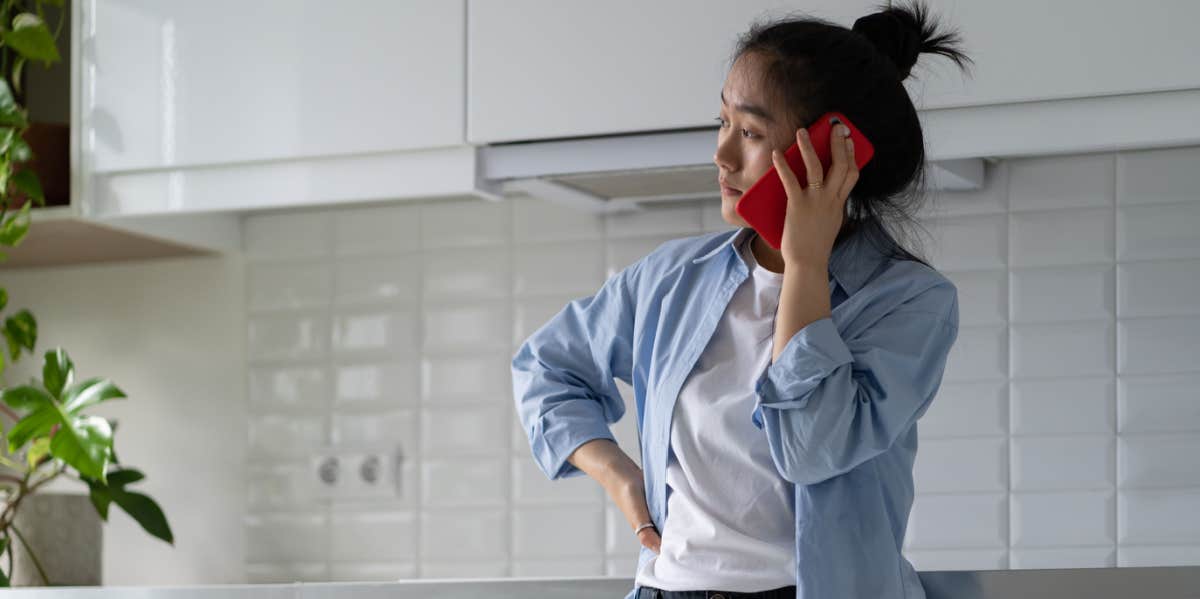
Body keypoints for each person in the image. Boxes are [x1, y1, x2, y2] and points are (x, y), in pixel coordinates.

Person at [512, 2, 972, 598]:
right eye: (722, 122)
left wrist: (805, 264)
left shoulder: (909, 302)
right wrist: (620, 475)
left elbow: (813, 449)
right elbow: (546, 367)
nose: (721, 155)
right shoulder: (672, 278)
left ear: (836, 153)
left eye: (751, 132)